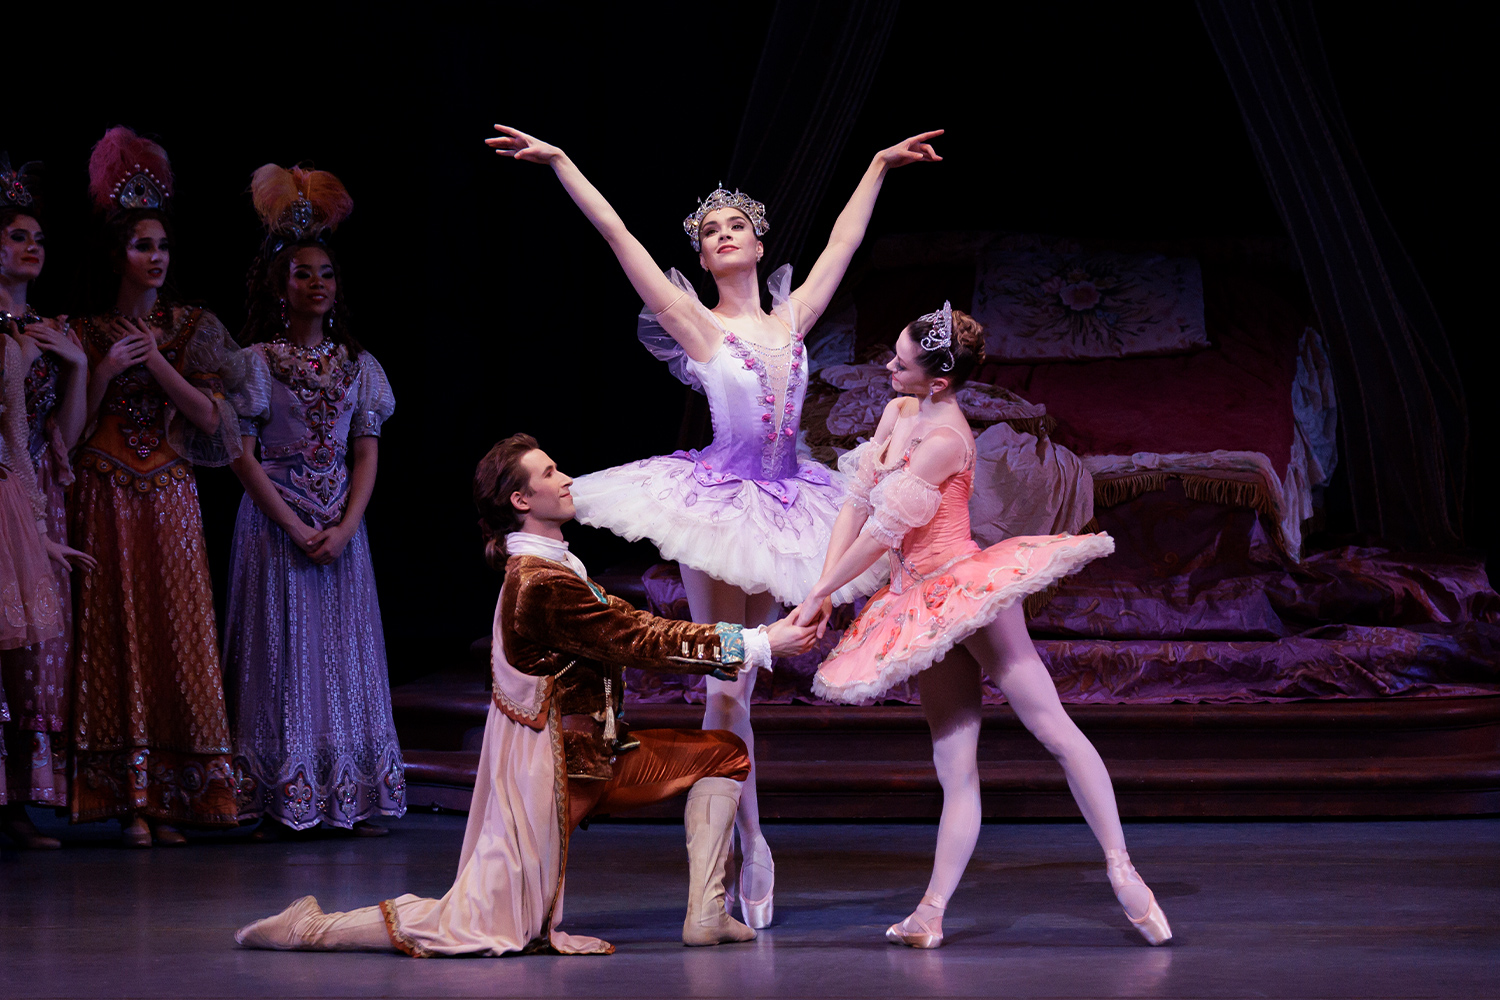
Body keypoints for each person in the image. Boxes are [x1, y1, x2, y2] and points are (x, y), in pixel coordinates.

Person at [485, 123, 941, 926]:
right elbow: (616, 235)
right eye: (709, 232)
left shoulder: (793, 317)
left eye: (735, 226)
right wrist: (562, 161)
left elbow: (845, 238)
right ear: (701, 259)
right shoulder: (699, 324)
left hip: (791, 499)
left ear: (759, 242)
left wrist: (873, 165)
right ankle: (745, 844)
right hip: (719, 503)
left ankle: (740, 843)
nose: (723, 235)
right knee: (726, 676)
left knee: (740, 689)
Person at [235, 434, 820, 954]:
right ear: (521, 501)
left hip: (595, 755)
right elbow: (638, 635)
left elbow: (623, 621)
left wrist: (747, 642)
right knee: (469, 920)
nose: (565, 480)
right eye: (549, 474)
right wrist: (759, 641)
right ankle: (310, 930)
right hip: (568, 770)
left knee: (722, 751)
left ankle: (708, 914)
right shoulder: (540, 583)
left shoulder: (556, 568)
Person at [794, 303, 1172, 948]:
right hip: (917, 600)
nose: (887, 367)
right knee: (954, 762)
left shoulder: (945, 440)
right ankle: (930, 913)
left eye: (901, 362)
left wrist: (822, 593)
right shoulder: (899, 414)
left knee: (1051, 726)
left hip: (961, 587)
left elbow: (890, 528)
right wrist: (820, 591)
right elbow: (856, 507)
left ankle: (1124, 871)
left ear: (938, 380)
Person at [68, 127, 243, 847]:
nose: (156, 258)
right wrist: (106, 369)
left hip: (169, 490)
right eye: (143, 246)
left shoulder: (191, 326)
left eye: (163, 247)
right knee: (117, 636)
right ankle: (126, 801)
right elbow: (68, 437)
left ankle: (179, 800)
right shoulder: (82, 330)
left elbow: (213, 422)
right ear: (120, 254)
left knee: (178, 637)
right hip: (105, 489)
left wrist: (157, 363)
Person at [225, 163, 404, 838]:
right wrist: (294, 523)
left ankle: (348, 793)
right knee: (282, 655)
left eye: (326, 273)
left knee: (342, 654)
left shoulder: (359, 366)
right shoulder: (255, 363)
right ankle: (277, 793)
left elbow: (367, 448)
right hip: (277, 522)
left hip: (340, 527)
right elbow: (241, 453)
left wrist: (348, 524)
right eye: (302, 273)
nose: (316, 284)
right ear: (280, 284)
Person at [0, 153, 93, 848]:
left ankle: (20, 806)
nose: (32, 248)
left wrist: (79, 366)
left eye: (38, 238)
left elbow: (61, 435)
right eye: (17, 237)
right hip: (4, 493)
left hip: (32, 494)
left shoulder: (49, 329)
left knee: (32, 663)